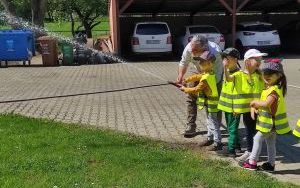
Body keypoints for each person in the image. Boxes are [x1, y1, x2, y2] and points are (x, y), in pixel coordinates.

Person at [242, 58, 291, 171]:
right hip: (271, 123)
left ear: (279, 76)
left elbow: (266, 103)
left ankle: (252, 162)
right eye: (265, 73)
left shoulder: (273, 91)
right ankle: (271, 164)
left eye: (271, 73)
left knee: (257, 139)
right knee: (270, 143)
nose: (267, 76)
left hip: (269, 124)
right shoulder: (270, 88)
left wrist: (255, 103)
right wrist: (257, 109)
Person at [222, 49, 267, 162]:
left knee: (254, 131)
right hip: (246, 109)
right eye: (256, 59)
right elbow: (228, 78)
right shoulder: (239, 74)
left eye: (260, 59)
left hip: (257, 109)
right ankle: (250, 151)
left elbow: (268, 87)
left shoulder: (260, 75)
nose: (259, 62)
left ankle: (252, 153)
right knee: (249, 131)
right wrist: (225, 67)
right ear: (247, 62)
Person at [176, 35, 223, 138]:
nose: (192, 52)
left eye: (195, 50)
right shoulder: (189, 48)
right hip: (198, 71)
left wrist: (188, 88)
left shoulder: (216, 53)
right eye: (192, 49)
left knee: (213, 102)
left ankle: (215, 129)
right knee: (191, 98)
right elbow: (184, 62)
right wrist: (181, 77)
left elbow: (209, 77)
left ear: (204, 48)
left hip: (214, 74)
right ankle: (191, 126)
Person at [180, 51, 222, 151]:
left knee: (214, 123)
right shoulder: (208, 73)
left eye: (203, 62)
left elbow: (197, 89)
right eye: (200, 62)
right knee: (209, 121)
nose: (200, 64)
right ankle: (210, 138)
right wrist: (186, 80)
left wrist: (185, 89)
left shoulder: (207, 77)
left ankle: (217, 142)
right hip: (209, 102)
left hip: (212, 103)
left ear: (211, 64)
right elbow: (197, 76)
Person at [216, 48, 242, 157]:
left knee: (232, 128)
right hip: (227, 106)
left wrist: (225, 67)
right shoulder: (228, 71)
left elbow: (229, 79)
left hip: (234, 107)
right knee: (230, 127)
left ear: (235, 59)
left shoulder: (238, 74)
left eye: (227, 58)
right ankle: (237, 146)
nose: (224, 60)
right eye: (224, 58)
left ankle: (231, 151)